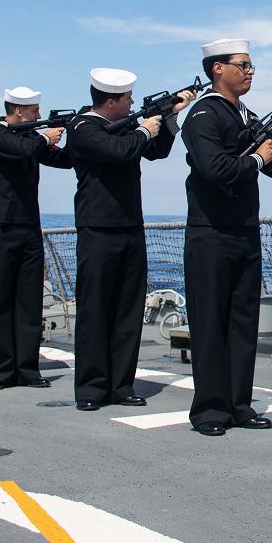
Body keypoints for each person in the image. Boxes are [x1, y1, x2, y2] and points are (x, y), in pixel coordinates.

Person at [182, 39, 272, 436]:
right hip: (211, 233)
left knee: (241, 321)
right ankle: (210, 410)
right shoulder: (203, 115)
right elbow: (215, 168)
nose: (250, 71)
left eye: (252, 65)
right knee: (210, 322)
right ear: (218, 68)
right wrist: (256, 157)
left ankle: (239, 403)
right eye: (243, 64)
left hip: (244, 229)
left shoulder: (244, 114)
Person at [66, 68, 195, 411]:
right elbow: (120, 150)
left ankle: (121, 386)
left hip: (129, 227)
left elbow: (156, 152)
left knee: (127, 311)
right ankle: (92, 389)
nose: (132, 103)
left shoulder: (124, 127)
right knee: (95, 310)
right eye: (127, 99)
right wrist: (143, 128)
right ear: (111, 101)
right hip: (97, 230)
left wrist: (168, 118)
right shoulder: (82, 128)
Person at [0, 87, 73, 391]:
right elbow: (22, 149)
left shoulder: (30, 138)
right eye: (34, 111)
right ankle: (1, 370)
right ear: (19, 111)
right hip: (1, 227)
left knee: (29, 303)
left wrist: (73, 133)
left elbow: (62, 160)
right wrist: (46, 136)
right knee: (2, 302)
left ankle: (27, 368)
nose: (38, 116)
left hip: (29, 226)